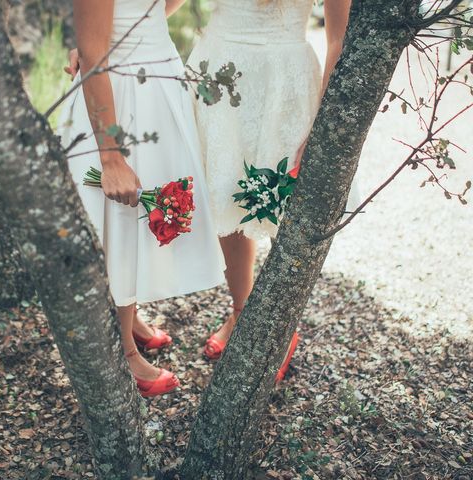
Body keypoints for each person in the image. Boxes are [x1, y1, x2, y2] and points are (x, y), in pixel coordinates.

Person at [61, 0, 226, 397]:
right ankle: (122, 352)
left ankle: (127, 315)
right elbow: (95, 52)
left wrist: (118, 33)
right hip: (119, 100)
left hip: (158, 81)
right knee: (121, 220)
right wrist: (111, 156)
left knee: (143, 217)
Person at [187, 0, 352, 360]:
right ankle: (242, 311)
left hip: (284, 83)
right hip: (217, 73)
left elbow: (339, 39)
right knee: (225, 193)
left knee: (287, 209)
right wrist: (99, 45)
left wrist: (323, 124)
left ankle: (277, 326)